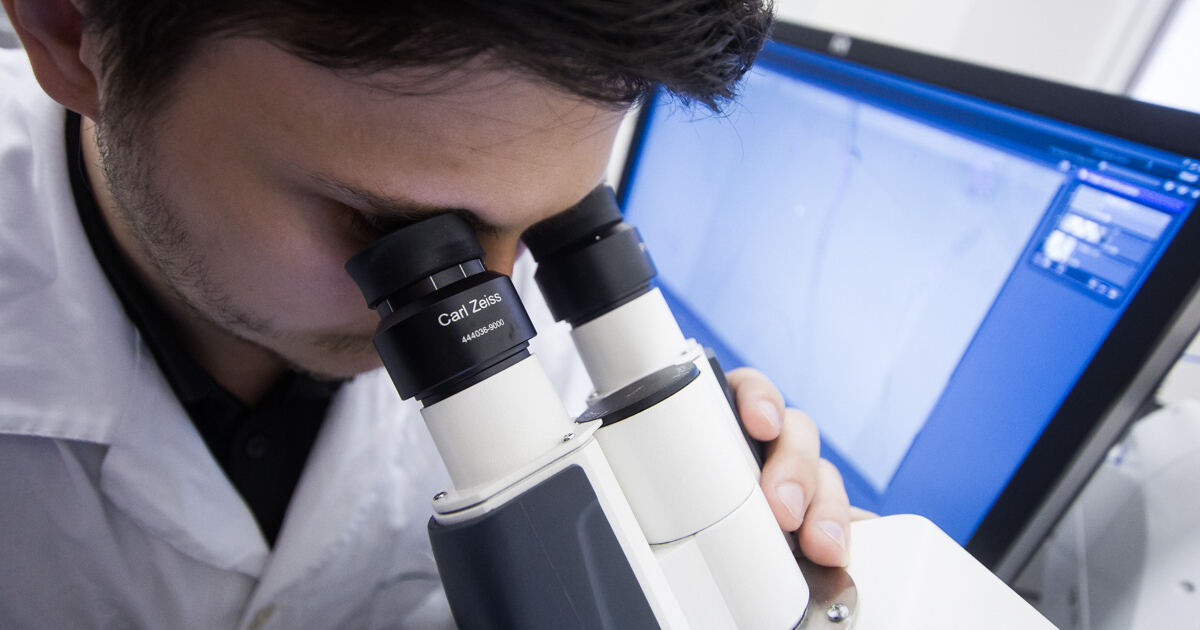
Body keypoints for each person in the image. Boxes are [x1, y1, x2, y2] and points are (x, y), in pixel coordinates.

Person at [0, 1, 855, 627]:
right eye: (391, 230)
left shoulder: (532, 324)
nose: (497, 299)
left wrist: (744, 532)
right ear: (72, 31)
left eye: (550, 223)